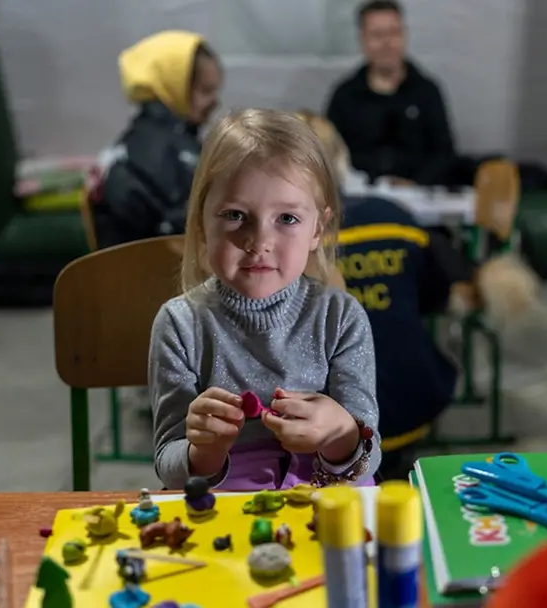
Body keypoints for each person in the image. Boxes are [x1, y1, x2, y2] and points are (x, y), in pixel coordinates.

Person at [296, 110, 538, 478]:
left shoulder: (278, 245)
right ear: (341, 160)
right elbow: (448, 293)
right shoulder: (394, 218)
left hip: (331, 426)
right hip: (415, 400)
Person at [149, 109, 382, 491]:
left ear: (316, 230)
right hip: (224, 509)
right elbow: (169, 463)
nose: (259, 242)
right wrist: (205, 450)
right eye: (235, 215)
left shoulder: (341, 318)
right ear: (202, 223)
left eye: (287, 219)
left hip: (330, 503)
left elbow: (368, 454)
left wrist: (340, 432)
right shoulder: (180, 325)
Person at [90, 31, 223, 248]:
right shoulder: (167, 153)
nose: (215, 101)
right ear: (173, 87)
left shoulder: (143, 140)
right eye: (206, 90)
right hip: (156, 276)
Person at [324, 1, 460, 187]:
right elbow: (330, 154)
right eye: (377, 35)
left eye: (394, 33)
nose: (387, 43)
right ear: (362, 39)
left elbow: (444, 153)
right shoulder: (345, 96)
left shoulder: (426, 91)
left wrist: (415, 183)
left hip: (421, 197)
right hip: (360, 198)